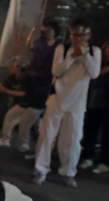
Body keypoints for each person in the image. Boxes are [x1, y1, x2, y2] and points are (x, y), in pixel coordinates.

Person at [34, 18, 101, 188]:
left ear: (88, 35)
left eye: (82, 34)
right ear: (70, 35)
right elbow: (56, 70)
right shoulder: (62, 49)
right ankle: (41, 170)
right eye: (75, 34)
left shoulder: (95, 51)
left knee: (72, 140)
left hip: (77, 104)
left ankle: (68, 172)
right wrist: (72, 57)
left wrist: (84, 54)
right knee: (47, 136)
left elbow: (94, 73)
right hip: (57, 99)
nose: (78, 38)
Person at [0, 60, 48, 153]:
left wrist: (6, 91)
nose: (10, 68)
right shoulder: (14, 77)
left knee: (25, 124)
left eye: (13, 66)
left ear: (19, 68)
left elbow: (23, 93)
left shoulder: (28, 77)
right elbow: (5, 85)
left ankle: (24, 144)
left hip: (36, 105)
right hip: (25, 104)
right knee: (9, 116)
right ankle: (5, 139)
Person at [78, 39, 109, 174]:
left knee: (107, 135)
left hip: (107, 103)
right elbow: (92, 75)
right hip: (94, 101)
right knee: (91, 131)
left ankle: (104, 162)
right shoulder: (98, 59)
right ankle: (87, 157)